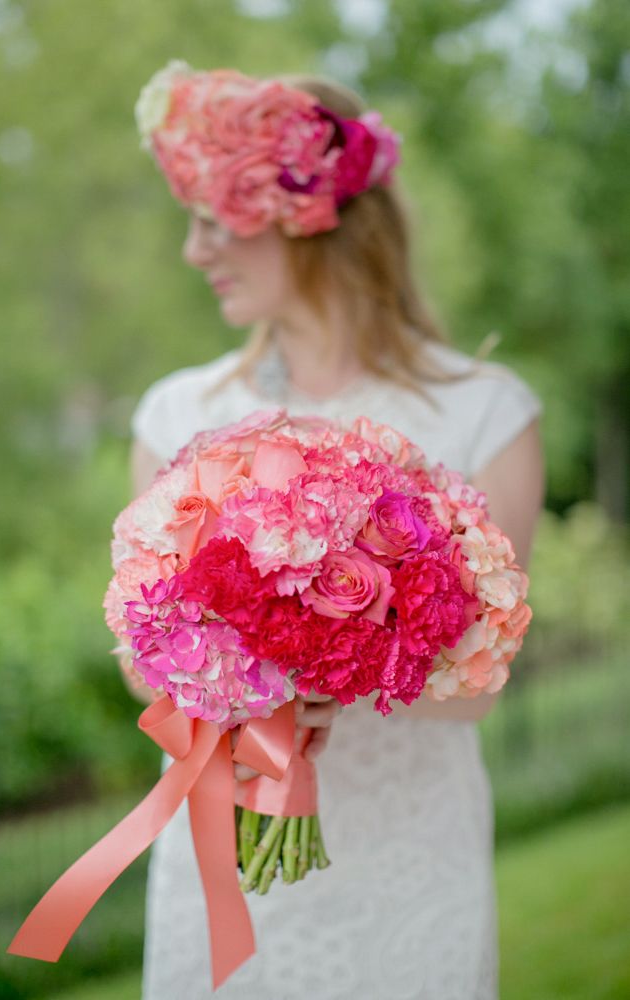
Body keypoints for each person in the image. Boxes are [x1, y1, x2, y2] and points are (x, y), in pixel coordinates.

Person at [125, 62, 544, 1000]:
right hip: (220, 869)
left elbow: (480, 683)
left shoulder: (486, 414)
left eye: (212, 218)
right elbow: (137, 653)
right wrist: (243, 683)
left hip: (409, 861)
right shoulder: (173, 415)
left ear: (306, 216)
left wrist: (329, 675)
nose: (195, 251)